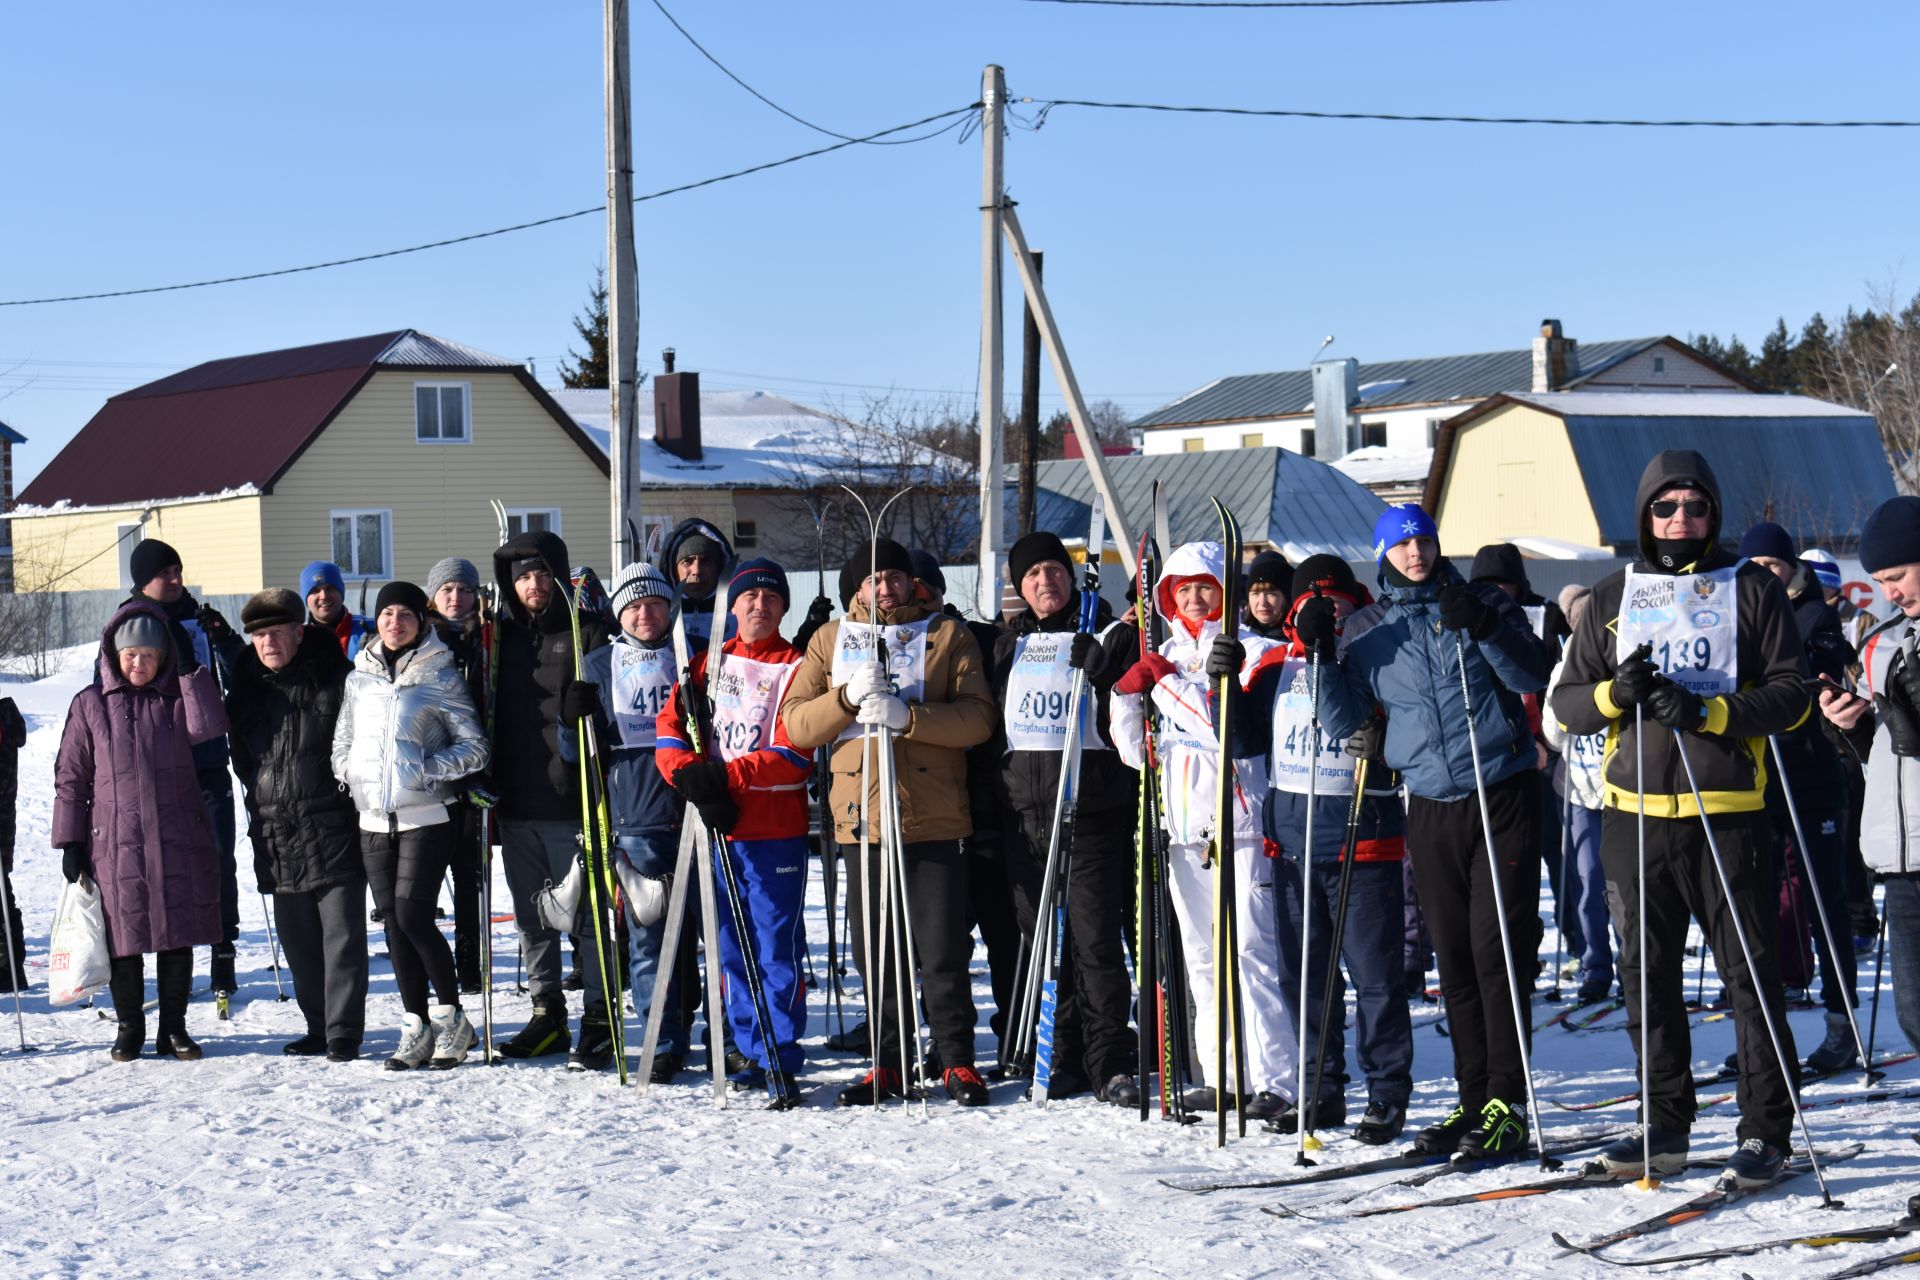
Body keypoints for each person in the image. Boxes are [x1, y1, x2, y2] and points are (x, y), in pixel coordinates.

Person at [1553, 452, 1809, 1187]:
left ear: (1713, 514)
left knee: (1749, 977)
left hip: (1725, 810)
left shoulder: (1751, 589)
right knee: (1646, 976)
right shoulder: (1611, 595)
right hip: (1635, 817)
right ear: (1644, 515)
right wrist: (1614, 694)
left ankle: (1766, 1130)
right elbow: (1566, 704)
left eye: (1695, 507)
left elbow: (1792, 695)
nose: (1681, 520)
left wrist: (1711, 711)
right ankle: (1663, 1123)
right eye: (1666, 508)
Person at [1307, 504, 1552, 1158]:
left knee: (1497, 949)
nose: (1415, 551)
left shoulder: (1475, 600)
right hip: (1431, 801)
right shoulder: (1366, 629)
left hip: (1500, 786)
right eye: (1402, 543)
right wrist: (1319, 655)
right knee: (1456, 957)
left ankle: (1508, 1100)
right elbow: (1341, 722)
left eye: (1423, 539)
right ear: (1383, 553)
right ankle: (1475, 1098)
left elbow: (1533, 675)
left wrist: (1486, 629)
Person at [781, 538, 995, 1106]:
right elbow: (798, 725)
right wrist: (846, 698)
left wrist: (909, 717)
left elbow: (978, 718)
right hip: (861, 820)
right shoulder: (829, 642)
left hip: (934, 816)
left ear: (911, 582)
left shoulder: (947, 635)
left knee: (942, 948)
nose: (886, 589)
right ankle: (890, 1062)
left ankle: (956, 1061)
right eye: (874, 580)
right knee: (876, 951)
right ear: (857, 587)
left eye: (895, 578)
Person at [1110, 539, 1297, 1119]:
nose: (1193, 598)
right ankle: (1225, 1076)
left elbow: (1226, 732)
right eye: (1182, 589)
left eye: (1204, 587)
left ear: (1225, 593)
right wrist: (1124, 695)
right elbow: (1135, 754)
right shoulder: (1163, 651)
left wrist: (1163, 684)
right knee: (1202, 959)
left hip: (1242, 825)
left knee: (1250, 953)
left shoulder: (1260, 652)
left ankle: (1279, 1080)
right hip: (1185, 829)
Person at [1248, 555, 1413, 1143]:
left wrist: (1386, 736)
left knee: (1375, 977)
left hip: (1362, 838)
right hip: (1293, 844)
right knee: (1306, 977)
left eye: (1336, 601)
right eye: (1311, 603)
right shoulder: (1274, 664)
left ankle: (1387, 1091)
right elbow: (1241, 735)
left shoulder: (1380, 652)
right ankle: (1321, 1088)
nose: (1325, 612)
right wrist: (1225, 678)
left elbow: (1416, 725)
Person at [989, 531, 1139, 1104]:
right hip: (1026, 818)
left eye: (1053, 570)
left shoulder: (1107, 633)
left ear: (1071, 577)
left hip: (1090, 810)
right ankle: (1063, 1054)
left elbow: (1131, 699)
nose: (1044, 582)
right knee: (1045, 944)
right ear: (1019, 588)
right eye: (1032, 576)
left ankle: (1111, 1061)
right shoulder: (1009, 646)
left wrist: (1100, 668)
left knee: (1094, 942)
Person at [655, 558, 813, 1096]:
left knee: (773, 947)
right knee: (728, 945)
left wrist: (724, 777)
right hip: (716, 830)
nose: (759, 606)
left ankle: (780, 1053)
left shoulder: (797, 666)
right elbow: (671, 729)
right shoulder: (710, 663)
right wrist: (690, 778)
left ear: (783, 607)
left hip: (773, 830)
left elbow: (794, 753)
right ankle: (748, 1045)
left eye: (771, 599)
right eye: (749, 597)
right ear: (734, 605)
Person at [55, 601, 230, 1061]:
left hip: (177, 835)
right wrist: (70, 840)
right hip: (116, 843)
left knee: (177, 934)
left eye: (148, 655)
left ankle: (173, 1028)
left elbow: (211, 726)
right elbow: (71, 778)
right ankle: (129, 1027)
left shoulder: (177, 699)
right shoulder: (90, 705)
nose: (138, 663)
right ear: (114, 655)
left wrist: (192, 671)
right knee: (123, 938)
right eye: (130, 654)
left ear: (163, 656)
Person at [333, 581, 490, 1071]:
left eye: (404, 613)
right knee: (394, 927)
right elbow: (343, 740)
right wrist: (350, 772)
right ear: (376, 622)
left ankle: (452, 1019)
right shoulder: (359, 677)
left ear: (421, 622)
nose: (394, 621)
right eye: (386, 614)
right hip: (372, 820)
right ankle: (415, 1026)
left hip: (427, 815)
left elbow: (475, 747)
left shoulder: (441, 674)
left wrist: (424, 772)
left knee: (413, 914)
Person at [1740, 521, 1862, 1071]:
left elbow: (1819, 689)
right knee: (1759, 908)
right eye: (1756, 567)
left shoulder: (1816, 616)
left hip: (1811, 775)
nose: (1765, 575)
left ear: (1790, 567)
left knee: (1823, 901)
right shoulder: (1740, 615)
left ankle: (1841, 1025)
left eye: (1773, 565)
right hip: (1757, 779)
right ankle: (1768, 1039)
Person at [225, 589, 367, 1061]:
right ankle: (318, 1025)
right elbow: (242, 759)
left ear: (298, 633)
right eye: (259, 636)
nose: (268, 644)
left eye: (277, 633)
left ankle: (344, 1029)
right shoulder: (245, 689)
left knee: (341, 935)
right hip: (276, 832)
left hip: (332, 825)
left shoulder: (336, 679)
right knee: (299, 940)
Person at [489, 529, 614, 1061]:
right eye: (522, 577)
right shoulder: (498, 638)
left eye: (541, 574)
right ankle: (547, 1015)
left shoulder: (588, 633)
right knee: (530, 916)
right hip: (516, 800)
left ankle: (599, 1014)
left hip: (573, 801)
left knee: (585, 914)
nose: (533, 584)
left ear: (559, 578)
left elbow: (610, 712)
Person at [576, 562, 691, 1080]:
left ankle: (726, 1037)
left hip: (696, 812)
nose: (646, 615)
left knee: (708, 937)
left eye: (655, 604)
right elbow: (575, 754)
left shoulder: (694, 654)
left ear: (670, 608)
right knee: (648, 940)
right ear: (620, 612)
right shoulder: (599, 664)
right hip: (637, 817)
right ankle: (659, 1041)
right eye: (635, 606)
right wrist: (569, 717)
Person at [911, 549, 1020, 1067]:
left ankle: (1013, 1029)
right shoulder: (886, 645)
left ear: (937, 592)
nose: (913, 597)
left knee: (1003, 930)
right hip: (933, 813)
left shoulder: (973, 638)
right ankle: (944, 1036)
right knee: (941, 940)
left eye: (921, 587)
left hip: (988, 808)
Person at [1822, 495, 1920, 1060]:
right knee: (1913, 1008)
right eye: (1881, 580)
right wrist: (1853, 730)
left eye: (1899, 575)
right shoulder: (1880, 640)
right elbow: (1884, 753)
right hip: (1901, 852)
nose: (1890, 591)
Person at [126, 538, 242, 999]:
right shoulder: (130, 624)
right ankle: (172, 959)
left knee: (217, 858)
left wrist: (225, 640)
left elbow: (240, 676)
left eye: (178, 571)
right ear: (142, 581)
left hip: (208, 758)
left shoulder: (200, 617)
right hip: (157, 764)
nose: (175, 580)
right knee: (164, 864)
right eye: (165, 573)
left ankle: (223, 951)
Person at [1541, 586, 1615, 1004]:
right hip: (1578, 792)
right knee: (1589, 882)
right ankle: (1595, 966)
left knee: (1625, 886)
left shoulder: (1620, 656)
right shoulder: (1564, 666)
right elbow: (1552, 734)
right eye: (1579, 618)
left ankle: (1636, 964)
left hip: (1624, 793)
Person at [425, 556, 489, 992]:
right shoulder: (421, 639)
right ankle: (427, 958)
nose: (455, 597)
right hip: (428, 775)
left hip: (474, 771)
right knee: (425, 873)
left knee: (470, 875)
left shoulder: (487, 640)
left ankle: (470, 957)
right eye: (446, 589)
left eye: (463, 589)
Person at [656, 519, 735, 648]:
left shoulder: (739, 616)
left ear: (719, 569)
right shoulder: (656, 618)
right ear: (673, 569)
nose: (697, 571)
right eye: (687, 561)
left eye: (706, 561)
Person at [0, 695, 25, 992]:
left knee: (2, 901)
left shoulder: (4, 722)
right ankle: (10, 970)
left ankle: (9, 971)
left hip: (1, 827)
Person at [303, 560, 370, 657]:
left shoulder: (371, 630)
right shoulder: (297, 639)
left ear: (341, 593)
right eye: (315, 591)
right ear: (306, 599)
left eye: (330, 588)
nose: (324, 596)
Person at [1242, 550, 1293, 647]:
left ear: (1286, 597)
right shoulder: (1238, 636)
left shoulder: (1297, 644)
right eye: (1255, 593)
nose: (1262, 602)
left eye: (1271, 593)